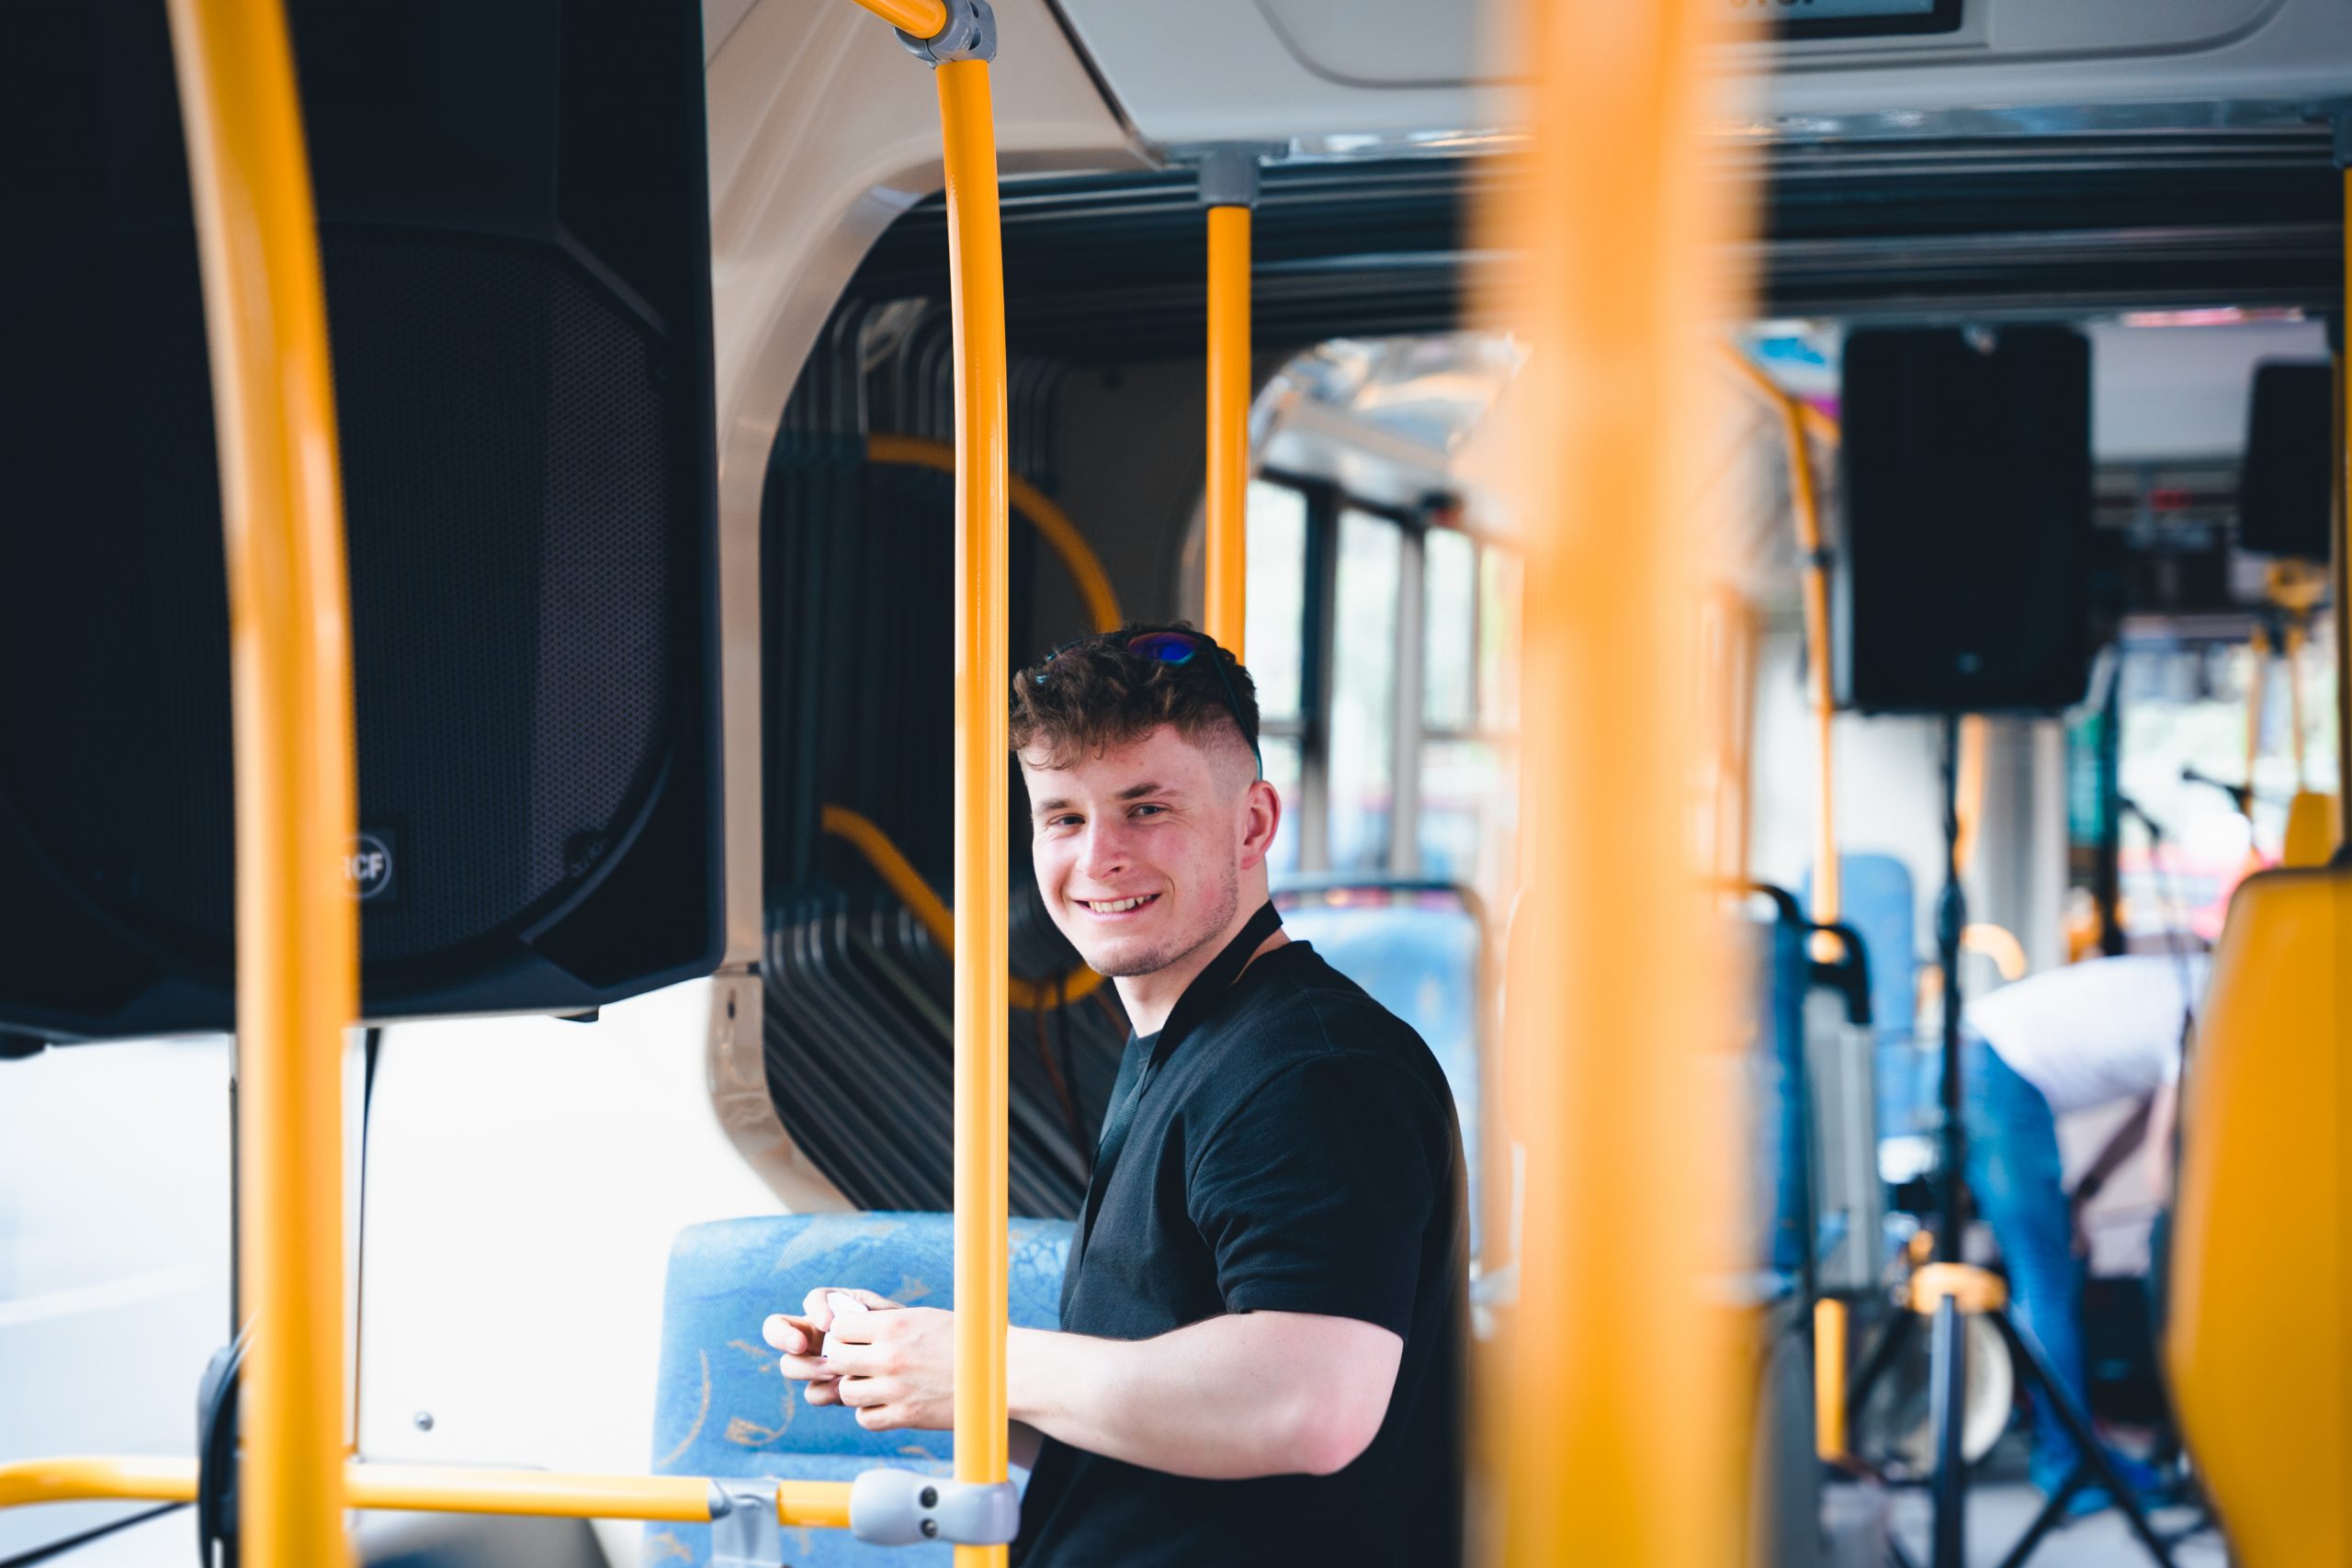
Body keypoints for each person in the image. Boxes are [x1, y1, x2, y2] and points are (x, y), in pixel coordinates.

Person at [762, 624, 1469, 1566]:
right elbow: (1173, 1440)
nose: (1099, 857)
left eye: (1146, 808)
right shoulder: (1192, 1046)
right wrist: (911, 1364)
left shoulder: (1313, 1071)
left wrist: (982, 1360)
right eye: (1063, 817)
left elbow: (1309, 1405)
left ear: (1254, 824)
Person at [1962, 949, 2207, 1514]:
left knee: (2052, 1273)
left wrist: (2088, 1190)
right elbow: (2163, 1165)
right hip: (1997, 1067)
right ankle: (2069, 1467)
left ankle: (2078, 1454)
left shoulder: (2203, 983)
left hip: (1988, 1058)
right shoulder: (2215, 1004)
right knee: (2045, 1279)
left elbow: (2148, 1114)